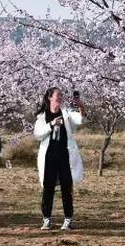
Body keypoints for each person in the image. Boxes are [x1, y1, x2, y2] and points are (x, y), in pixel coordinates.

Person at [34, 87, 86, 230]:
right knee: (48, 188)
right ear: (50, 97)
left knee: (66, 188)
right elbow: (37, 134)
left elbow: (80, 120)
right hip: (49, 156)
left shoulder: (67, 113)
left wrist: (81, 106)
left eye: (62, 95)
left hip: (65, 155)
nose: (60, 97)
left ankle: (68, 219)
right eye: (58, 95)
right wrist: (52, 124)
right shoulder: (42, 116)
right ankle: (46, 219)